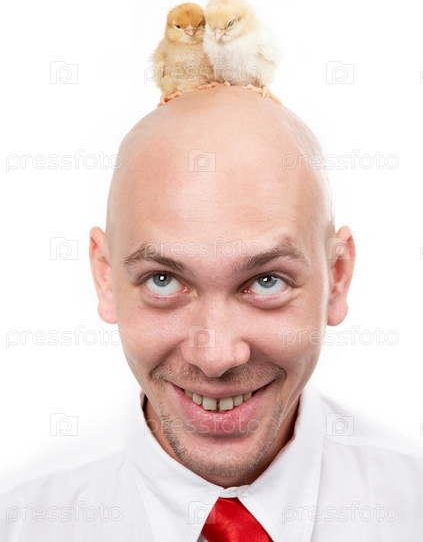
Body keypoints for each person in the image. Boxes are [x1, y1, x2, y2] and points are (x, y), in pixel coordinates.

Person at [1, 85, 422, 541]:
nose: (215, 357)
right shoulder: (23, 521)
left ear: (337, 277)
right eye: (163, 280)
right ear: (105, 278)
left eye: (267, 281)